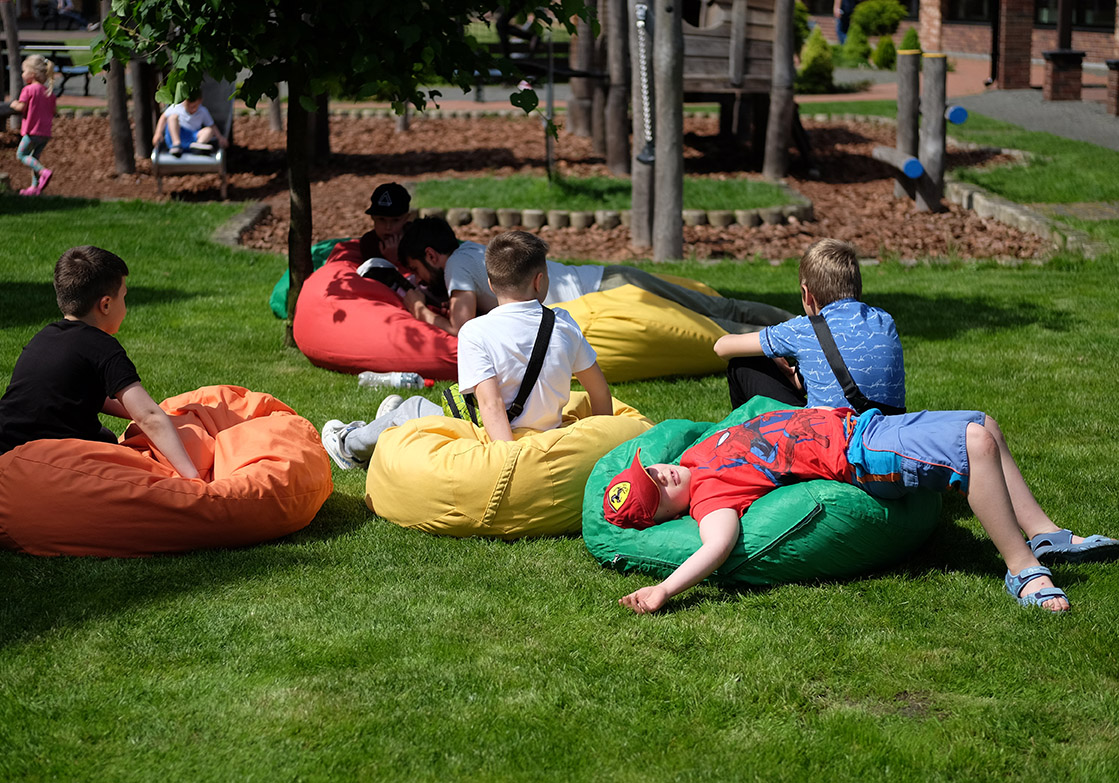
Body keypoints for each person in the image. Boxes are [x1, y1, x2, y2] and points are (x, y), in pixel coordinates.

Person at [604, 405, 1119, 615]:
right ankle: (1023, 570)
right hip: (859, 457)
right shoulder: (710, 498)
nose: (661, 476)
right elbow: (718, 545)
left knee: (983, 421)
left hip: (864, 425)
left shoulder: (695, 454)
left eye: (651, 471)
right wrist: (665, 590)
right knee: (975, 444)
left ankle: (1045, 534)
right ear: (665, 516)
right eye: (656, 491)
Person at [322, 231, 613, 466]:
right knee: (415, 411)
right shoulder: (563, 323)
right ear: (539, 281)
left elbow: (491, 404)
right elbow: (599, 392)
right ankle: (384, 425)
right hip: (548, 434)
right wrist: (601, 447)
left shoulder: (475, 332)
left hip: (501, 440)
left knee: (414, 407)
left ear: (490, 284)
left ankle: (349, 446)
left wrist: (511, 462)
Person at [0, 246, 199, 480]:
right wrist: (193, 478)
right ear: (106, 304)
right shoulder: (103, 348)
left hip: (6, 452)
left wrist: (137, 410)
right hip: (51, 463)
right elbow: (149, 417)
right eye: (124, 297)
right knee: (120, 453)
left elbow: (73, 394)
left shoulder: (45, 337)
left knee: (104, 436)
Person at [396, 217, 794, 336]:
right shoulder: (468, 249)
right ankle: (803, 326)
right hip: (606, 278)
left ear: (430, 255)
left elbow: (461, 327)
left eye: (417, 269)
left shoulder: (454, 265)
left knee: (713, 327)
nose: (422, 278)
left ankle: (798, 336)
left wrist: (419, 310)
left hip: (605, 300)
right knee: (720, 309)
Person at [714, 238, 904, 412]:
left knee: (742, 363)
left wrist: (772, 356)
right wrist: (794, 374)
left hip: (830, 433)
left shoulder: (804, 330)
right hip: (882, 429)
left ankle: (742, 435)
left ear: (807, 294)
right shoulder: (884, 320)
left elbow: (721, 347)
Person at [10, 55, 58, 197]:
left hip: (32, 132)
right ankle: (35, 188)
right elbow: (54, 111)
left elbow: (21, 107)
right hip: (45, 133)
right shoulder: (49, 92)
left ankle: (44, 172)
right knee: (34, 159)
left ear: (33, 73)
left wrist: (13, 104)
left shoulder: (29, 90)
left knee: (21, 155)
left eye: (24, 71)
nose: (22, 74)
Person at [152, 91, 228, 157]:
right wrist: (158, 133)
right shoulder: (177, 107)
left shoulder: (203, 111)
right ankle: (176, 144)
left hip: (193, 138)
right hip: (179, 134)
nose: (192, 109)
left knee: (209, 130)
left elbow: (212, 125)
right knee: (172, 118)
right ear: (183, 101)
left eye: (194, 106)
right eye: (188, 106)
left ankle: (198, 146)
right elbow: (163, 117)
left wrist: (220, 138)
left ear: (200, 101)